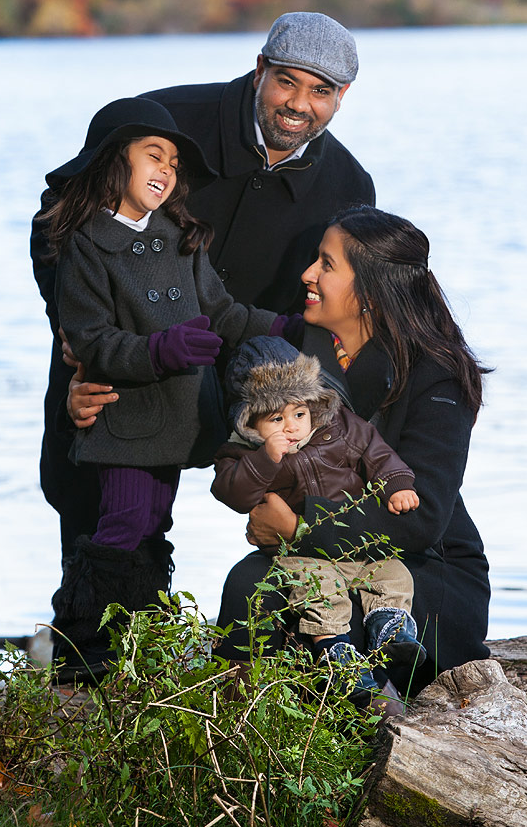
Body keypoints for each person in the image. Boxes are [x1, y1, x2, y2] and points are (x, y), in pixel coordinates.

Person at [31, 11, 375, 570]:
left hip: (249, 365)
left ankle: (301, 639)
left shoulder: (350, 186)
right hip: (122, 361)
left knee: (319, 473)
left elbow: (330, 302)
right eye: (286, 80)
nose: (298, 103)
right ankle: (94, 653)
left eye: (321, 91)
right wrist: (74, 335)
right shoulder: (160, 125)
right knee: (104, 521)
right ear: (260, 67)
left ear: (343, 96)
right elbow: (55, 225)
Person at [40, 98, 279, 681]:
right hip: (124, 418)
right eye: (153, 155)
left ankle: (138, 646)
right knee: (120, 524)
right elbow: (89, 337)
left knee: (154, 523)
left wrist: (287, 327)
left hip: (176, 418)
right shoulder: (85, 243)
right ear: (110, 163)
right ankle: (85, 655)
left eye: (173, 162)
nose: (167, 170)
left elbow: (219, 311)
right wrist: (159, 351)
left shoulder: (177, 232)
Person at [212, 206, 492, 695]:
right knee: (247, 585)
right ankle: (240, 744)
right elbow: (224, 383)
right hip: (321, 559)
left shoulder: (436, 376)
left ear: (369, 291)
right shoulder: (299, 353)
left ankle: (374, 748)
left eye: (326, 264)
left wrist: (298, 527)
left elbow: (420, 518)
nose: (308, 274)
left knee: (336, 621)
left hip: (424, 565)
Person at [211, 336, 427, 710]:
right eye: (275, 419)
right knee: (319, 590)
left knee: (394, 573)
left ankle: (389, 626)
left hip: (355, 546)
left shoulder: (340, 427)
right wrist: (265, 459)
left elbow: (378, 454)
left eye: (298, 413)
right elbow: (232, 493)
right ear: (250, 421)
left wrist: (397, 485)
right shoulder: (243, 453)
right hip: (300, 554)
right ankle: (333, 648)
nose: (291, 427)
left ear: (312, 404)